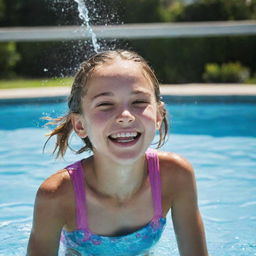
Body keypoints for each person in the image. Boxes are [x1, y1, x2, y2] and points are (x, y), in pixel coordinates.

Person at [27, 49, 208, 256]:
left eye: (139, 102)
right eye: (105, 104)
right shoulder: (57, 195)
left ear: (159, 116)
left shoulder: (175, 176)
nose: (125, 116)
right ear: (79, 124)